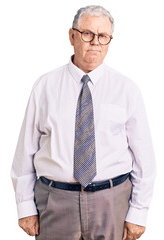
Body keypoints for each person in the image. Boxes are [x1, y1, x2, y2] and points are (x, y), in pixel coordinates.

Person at [11, 5, 156, 240]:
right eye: (87, 34)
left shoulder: (126, 89)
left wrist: (138, 212)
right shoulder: (44, 87)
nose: (95, 42)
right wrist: (25, 207)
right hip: (55, 202)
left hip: (112, 202)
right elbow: (25, 152)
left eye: (103, 36)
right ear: (72, 36)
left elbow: (144, 159)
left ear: (109, 40)